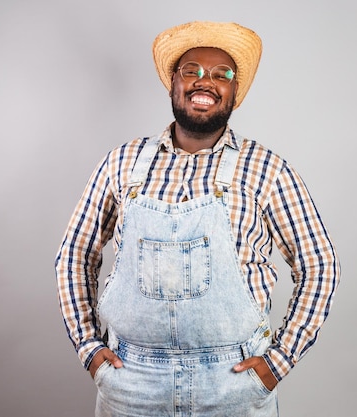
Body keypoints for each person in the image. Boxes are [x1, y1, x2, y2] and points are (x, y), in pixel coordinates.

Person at [55, 21, 340, 417]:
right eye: (192, 71)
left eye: (222, 75)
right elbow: (74, 254)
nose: (205, 83)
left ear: (234, 92)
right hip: (132, 383)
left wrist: (277, 363)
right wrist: (89, 348)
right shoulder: (121, 163)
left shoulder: (267, 169)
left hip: (233, 385)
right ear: (173, 82)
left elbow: (319, 264)